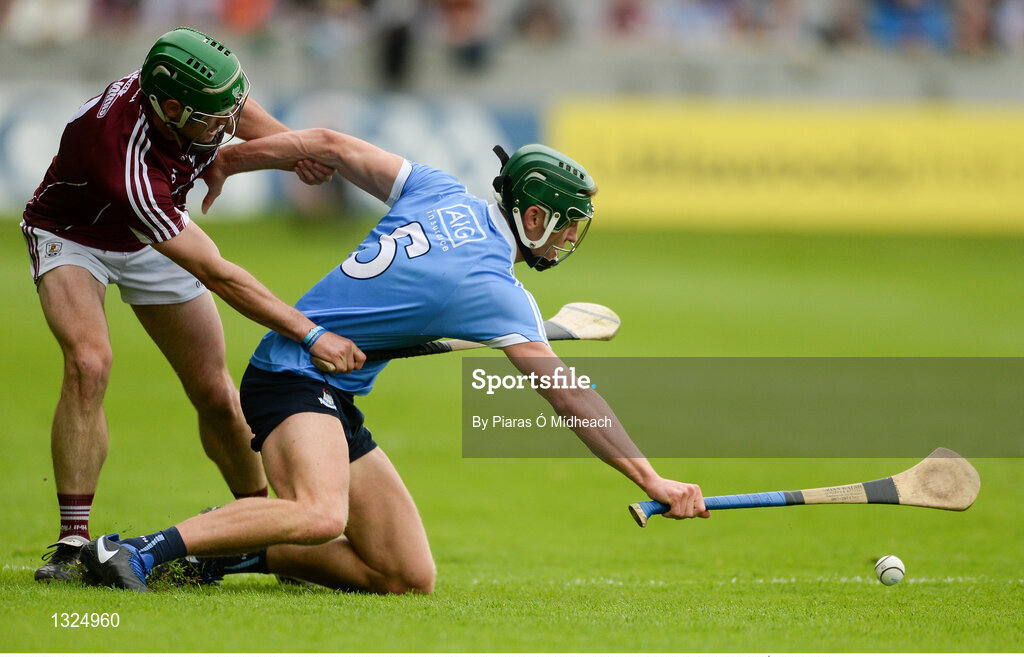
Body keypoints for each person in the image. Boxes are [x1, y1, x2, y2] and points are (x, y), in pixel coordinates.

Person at [76, 129, 709, 593]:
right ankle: (137, 551)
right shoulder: (499, 292)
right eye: (568, 226)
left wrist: (234, 159)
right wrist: (652, 480)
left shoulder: (440, 190)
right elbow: (571, 397)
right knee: (323, 516)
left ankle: (238, 549)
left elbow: (328, 144)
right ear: (535, 215)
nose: (572, 239)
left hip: (331, 393)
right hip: (292, 375)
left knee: (406, 576)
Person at [22, 28, 363, 584]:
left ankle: (256, 529)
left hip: (149, 232)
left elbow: (240, 111)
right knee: (89, 363)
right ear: (171, 108)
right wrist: (310, 333)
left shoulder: (193, 92)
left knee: (216, 394)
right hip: (73, 234)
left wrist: (291, 151)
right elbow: (218, 273)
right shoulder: (123, 162)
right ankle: (72, 540)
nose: (225, 129)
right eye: (211, 121)